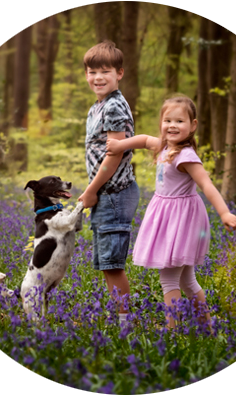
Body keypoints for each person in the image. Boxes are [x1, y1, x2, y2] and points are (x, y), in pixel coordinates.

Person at [106, 94, 236, 328]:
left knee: (169, 278)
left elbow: (207, 185)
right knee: (188, 280)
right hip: (168, 216)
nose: (172, 125)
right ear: (161, 123)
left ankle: (173, 332)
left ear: (192, 126)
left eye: (180, 121)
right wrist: (120, 144)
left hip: (181, 220)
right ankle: (206, 327)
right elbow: (142, 139)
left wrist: (224, 213)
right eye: (168, 120)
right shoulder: (163, 146)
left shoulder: (186, 155)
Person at [78, 41, 140, 325]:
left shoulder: (114, 106)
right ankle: (122, 320)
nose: (98, 77)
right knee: (107, 263)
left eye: (105, 71)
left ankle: (126, 327)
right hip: (107, 193)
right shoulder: (99, 105)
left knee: (112, 264)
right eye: (92, 71)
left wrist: (91, 191)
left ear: (120, 73)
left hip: (114, 194)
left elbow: (114, 156)